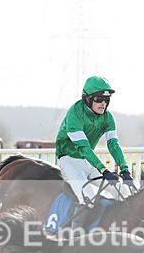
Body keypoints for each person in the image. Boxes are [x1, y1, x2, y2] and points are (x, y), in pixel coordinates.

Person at [55, 76, 135, 228]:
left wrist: (125, 170)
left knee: (123, 191)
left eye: (107, 99)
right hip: (69, 161)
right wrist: (104, 170)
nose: (103, 103)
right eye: (99, 99)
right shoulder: (74, 114)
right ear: (88, 99)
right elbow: (83, 147)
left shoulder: (108, 117)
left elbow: (113, 144)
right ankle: (75, 239)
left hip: (88, 162)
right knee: (89, 199)